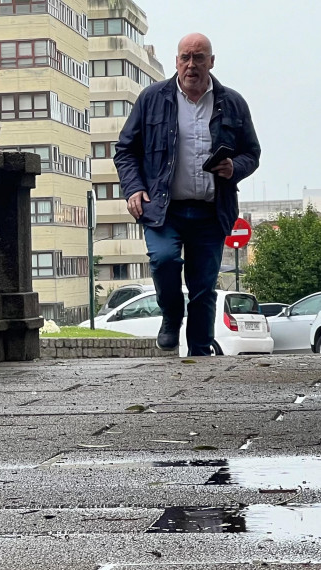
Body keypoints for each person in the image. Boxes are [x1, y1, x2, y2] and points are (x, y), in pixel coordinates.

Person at [113, 33, 260, 355]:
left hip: (211, 210)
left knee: (203, 288)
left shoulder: (232, 102)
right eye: (185, 57)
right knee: (164, 260)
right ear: (177, 60)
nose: (191, 65)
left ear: (211, 61)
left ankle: (199, 353)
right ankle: (171, 316)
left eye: (199, 57)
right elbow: (125, 150)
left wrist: (235, 167)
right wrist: (134, 188)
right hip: (164, 210)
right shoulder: (152, 98)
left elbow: (252, 152)